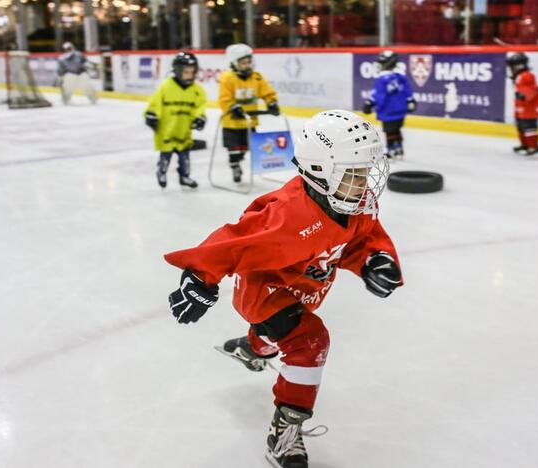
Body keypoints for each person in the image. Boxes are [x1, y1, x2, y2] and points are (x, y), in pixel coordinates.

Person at [164, 110, 403, 468]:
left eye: (365, 172)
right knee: (309, 342)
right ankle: (284, 434)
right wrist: (200, 276)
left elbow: (361, 239)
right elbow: (236, 240)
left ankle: (254, 347)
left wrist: (374, 260)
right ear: (320, 171)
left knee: (280, 337)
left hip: (304, 288)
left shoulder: (350, 202)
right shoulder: (288, 215)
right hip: (265, 289)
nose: (365, 182)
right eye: (354, 174)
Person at [144, 51, 207, 189]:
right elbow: (155, 103)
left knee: (185, 158)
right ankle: (161, 171)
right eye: (186, 72)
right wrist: (151, 114)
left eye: (192, 72)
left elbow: (200, 107)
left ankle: (185, 176)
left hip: (184, 132)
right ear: (178, 71)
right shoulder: (166, 86)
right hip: (166, 131)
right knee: (165, 156)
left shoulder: (197, 90)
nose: (190, 75)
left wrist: (200, 118)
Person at [218, 43, 279, 183]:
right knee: (234, 149)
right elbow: (224, 98)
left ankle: (238, 160)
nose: (247, 65)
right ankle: (234, 165)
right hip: (232, 123)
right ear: (233, 63)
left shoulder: (257, 77)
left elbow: (267, 92)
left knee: (245, 148)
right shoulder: (227, 78)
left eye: (249, 61)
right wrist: (232, 107)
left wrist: (272, 102)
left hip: (249, 121)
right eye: (243, 62)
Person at [362, 50, 416, 158]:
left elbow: (379, 95)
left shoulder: (382, 79)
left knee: (389, 131)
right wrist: (410, 101)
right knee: (396, 129)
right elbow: (408, 91)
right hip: (400, 109)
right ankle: (399, 148)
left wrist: (370, 103)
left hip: (388, 110)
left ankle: (391, 150)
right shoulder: (401, 76)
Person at [506, 52, 538, 156]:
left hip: (529, 108)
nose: (511, 69)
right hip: (521, 107)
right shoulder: (519, 77)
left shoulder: (527, 76)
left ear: (519, 65)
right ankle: (525, 144)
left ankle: (534, 146)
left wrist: (525, 95)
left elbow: (534, 89)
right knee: (521, 127)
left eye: (512, 66)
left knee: (530, 128)